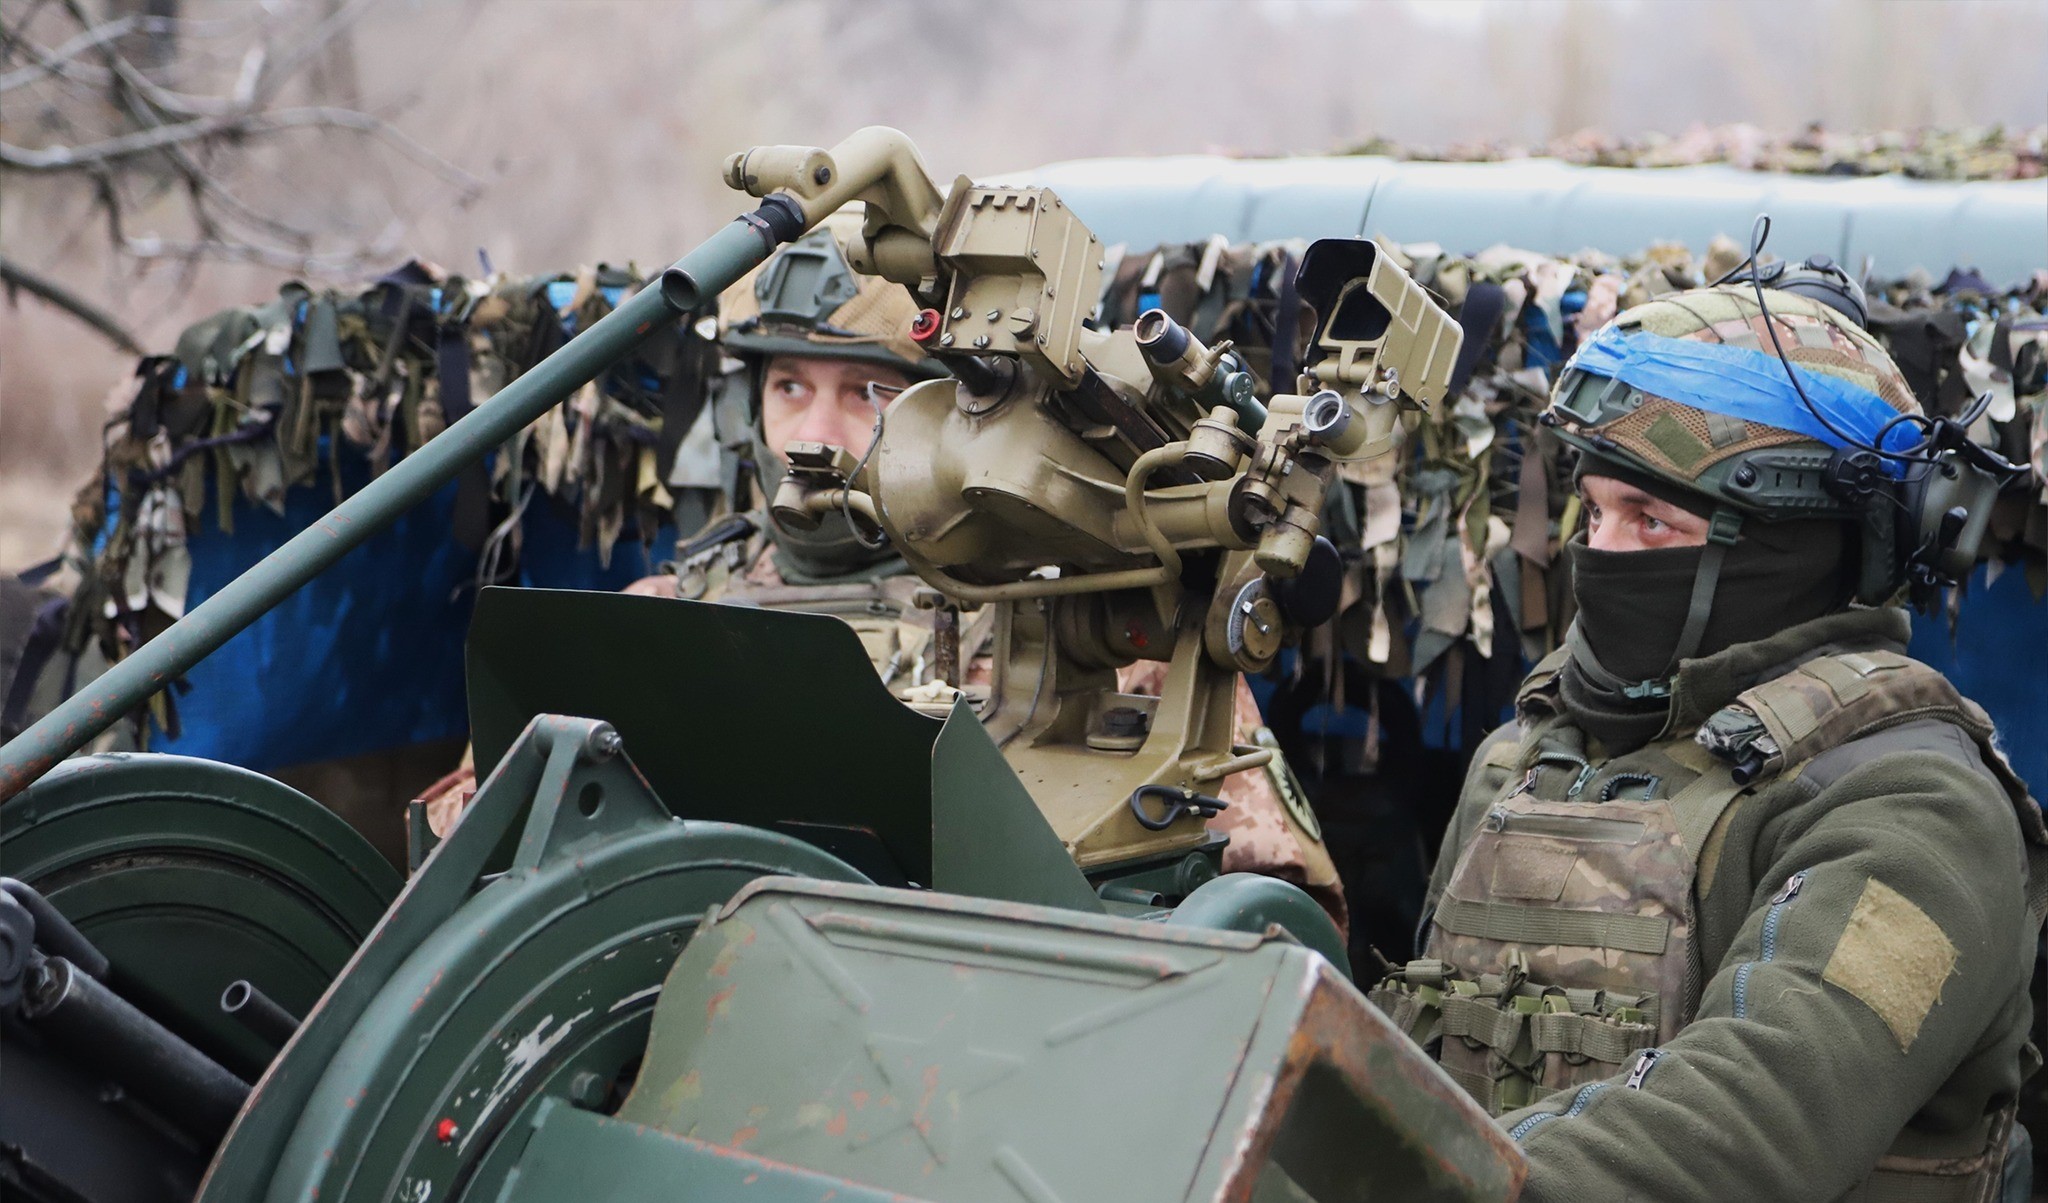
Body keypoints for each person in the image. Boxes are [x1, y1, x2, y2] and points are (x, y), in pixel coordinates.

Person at [438, 231, 1347, 929]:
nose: (815, 433)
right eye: (789, 386)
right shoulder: (661, 622)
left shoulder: (1090, 632)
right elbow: (462, 837)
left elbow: (1276, 912)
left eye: (865, 394)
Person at [1369, 278, 2044, 1200]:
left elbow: (1756, 1117)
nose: (1601, 555)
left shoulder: (1921, 808)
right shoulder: (1527, 758)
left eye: (1652, 521)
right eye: (1594, 512)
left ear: (1793, 547)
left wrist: (1415, 1179)